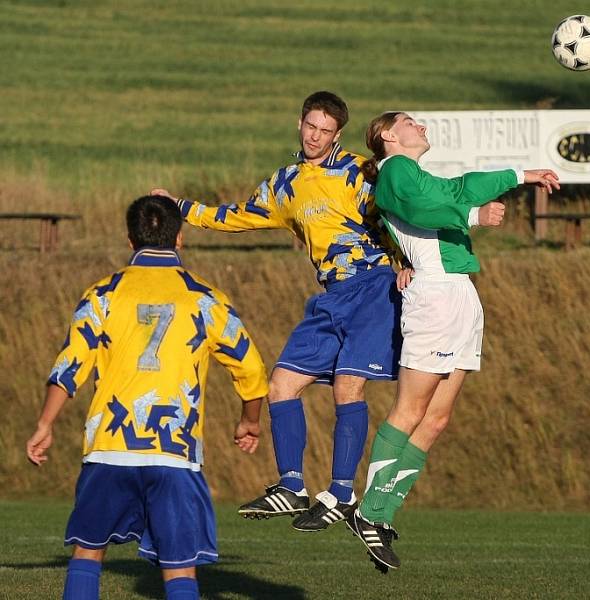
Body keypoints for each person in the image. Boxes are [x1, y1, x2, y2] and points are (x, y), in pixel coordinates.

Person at [151, 91, 402, 532]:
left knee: (347, 387)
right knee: (281, 385)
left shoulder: (360, 171)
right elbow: (237, 216)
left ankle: (342, 492)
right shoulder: (285, 183)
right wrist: (182, 208)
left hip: (373, 288)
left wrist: (410, 263)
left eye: (325, 131)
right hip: (331, 296)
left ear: (338, 134)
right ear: (299, 123)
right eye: (311, 126)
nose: (315, 136)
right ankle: (291, 488)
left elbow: (402, 211)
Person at [345, 112, 560, 572]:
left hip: (460, 294)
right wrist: (473, 216)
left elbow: (461, 187)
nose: (420, 125)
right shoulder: (396, 172)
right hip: (435, 297)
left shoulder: (418, 174)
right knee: (410, 411)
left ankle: (381, 513)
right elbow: (423, 208)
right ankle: (368, 509)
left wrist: (522, 175)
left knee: (437, 419)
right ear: (388, 136)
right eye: (409, 121)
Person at [25, 195, 269, 600]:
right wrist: (250, 420)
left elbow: (70, 364)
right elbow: (252, 367)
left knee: (88, 550)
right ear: (180, 238)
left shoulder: (103, 294)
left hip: (110, 446)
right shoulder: (204, 298)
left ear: (129, 238)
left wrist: (45, 424)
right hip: (173, 450)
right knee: (180, 565)